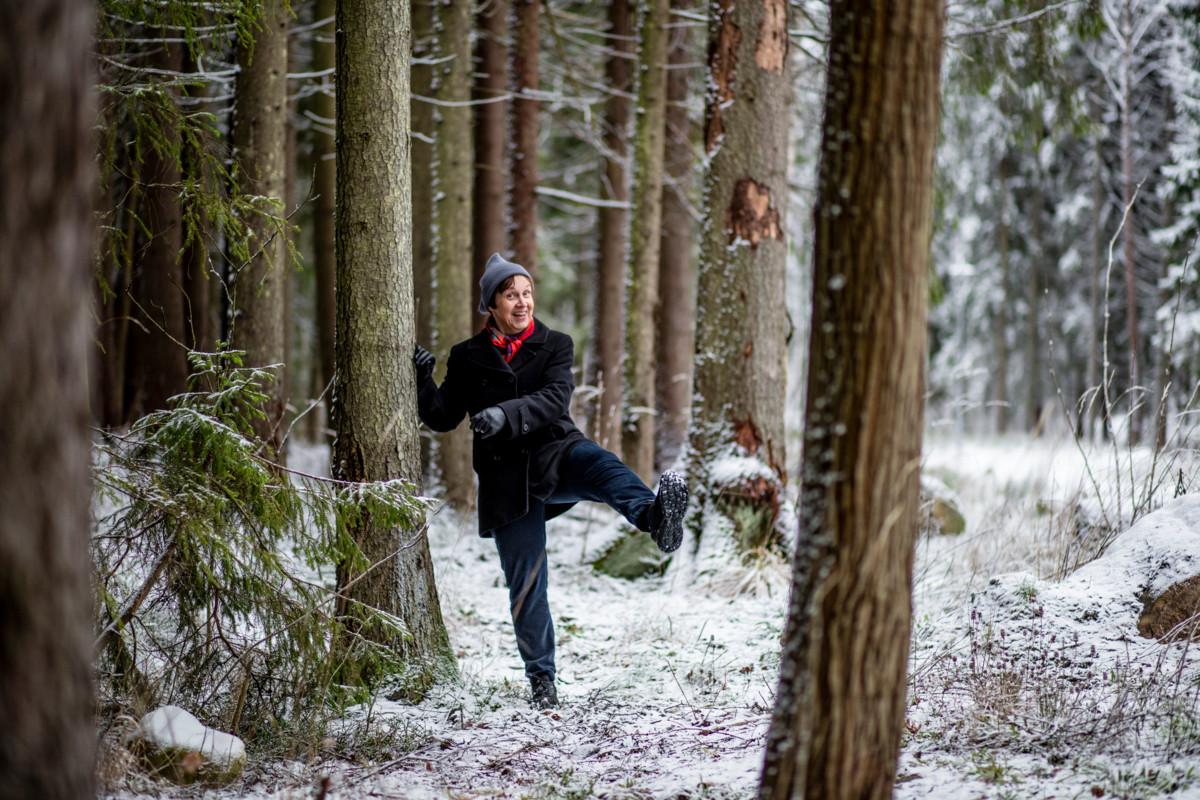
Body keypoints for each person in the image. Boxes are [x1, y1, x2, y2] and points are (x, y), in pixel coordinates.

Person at [413, 252, 688, 709]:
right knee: (526, 584)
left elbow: (555, 398)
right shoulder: (466, 356)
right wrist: (423, 379)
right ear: (491, 305)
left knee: (602, 465)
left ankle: (654, 517)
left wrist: (505, 414)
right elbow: (442, 417)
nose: (522, 303)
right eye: (510, 294)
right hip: (505, 482)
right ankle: (543, 683)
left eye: (527, 293)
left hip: (557, 452)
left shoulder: (556, 344)